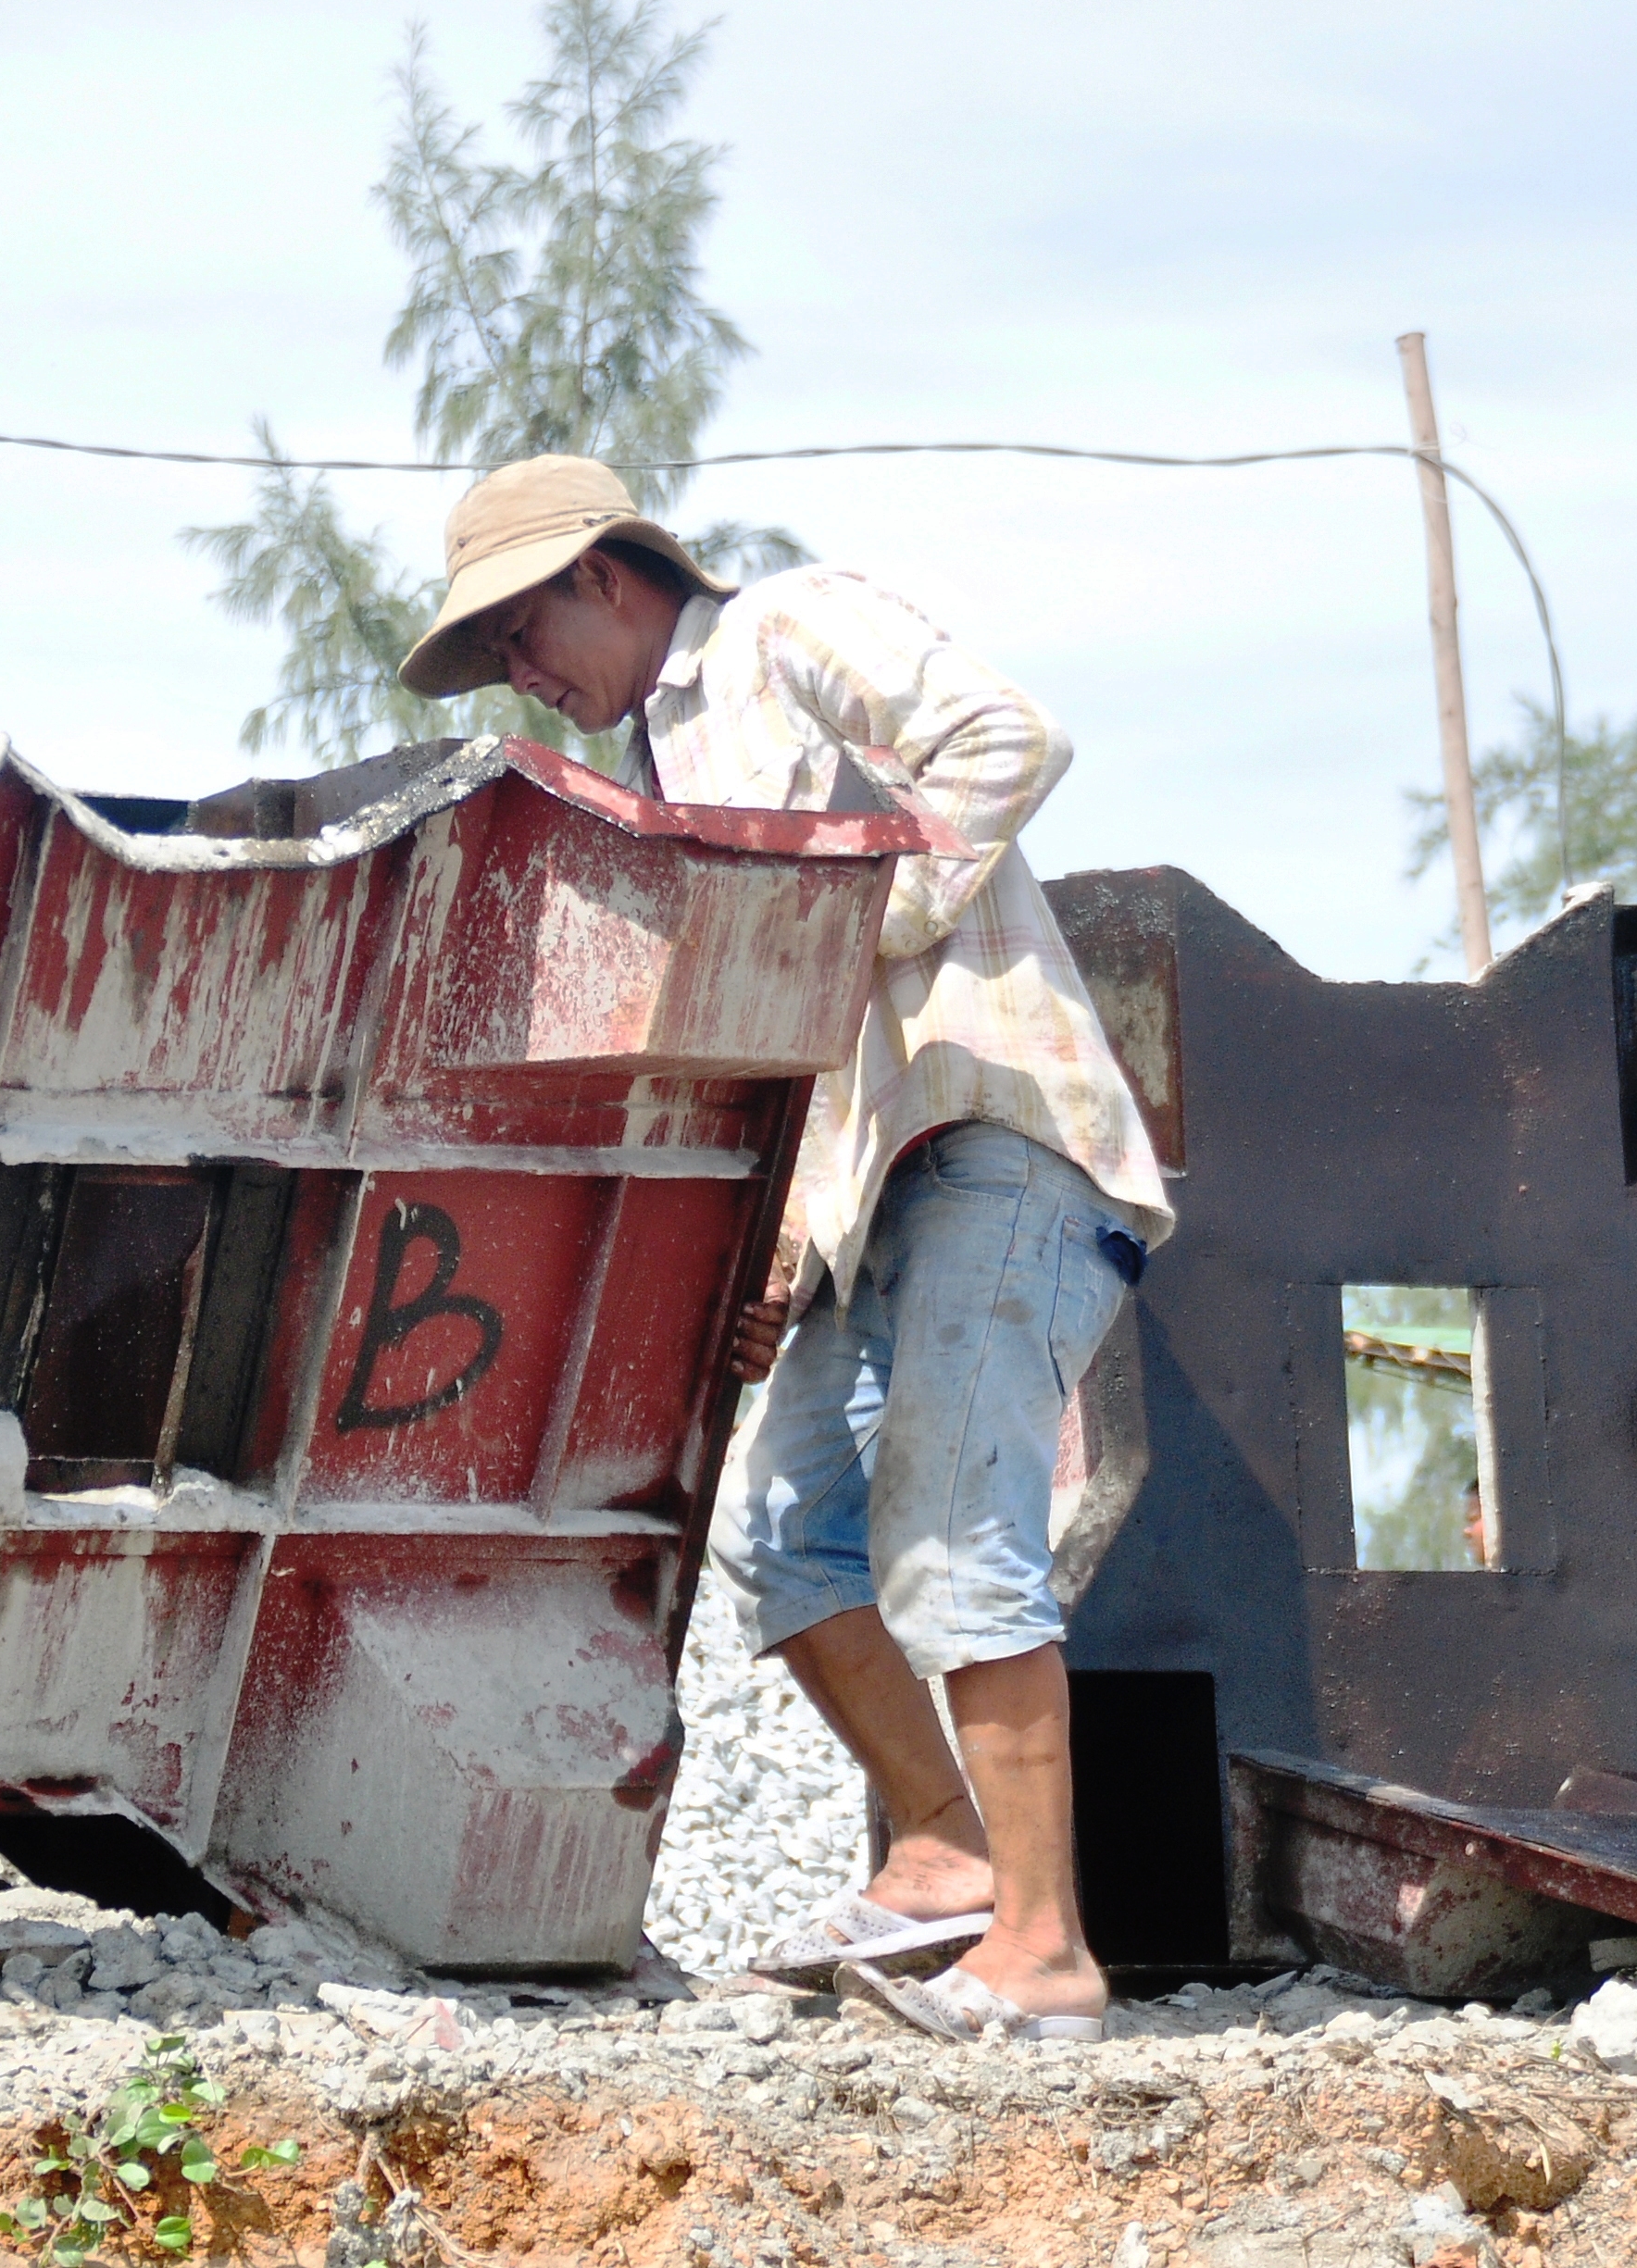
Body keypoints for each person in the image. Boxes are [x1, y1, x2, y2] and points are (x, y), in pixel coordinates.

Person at [398, 455, 1172, 2042]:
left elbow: (1009, 736)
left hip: (994, 1139)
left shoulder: (784, 629)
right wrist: (787, 1262)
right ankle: (945, 1848)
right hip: (878, 1193)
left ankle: (1047, 1951)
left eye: (523, 633)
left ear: (605, 575)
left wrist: (856, 922)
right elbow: (796, 1051)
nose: (524, 675)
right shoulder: (668, 772)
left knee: (955, 1535)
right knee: (783, 1531)